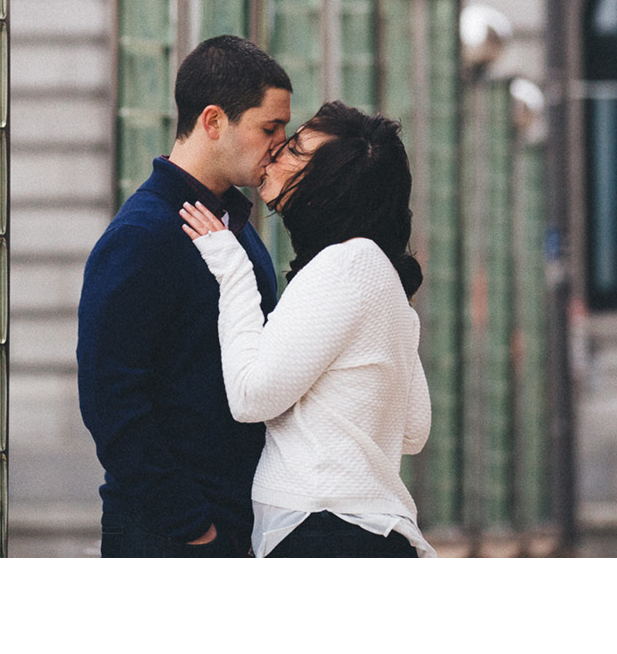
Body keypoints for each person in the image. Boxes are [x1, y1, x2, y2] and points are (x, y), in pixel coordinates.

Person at [179, 100, 433, 558]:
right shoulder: (381, 277)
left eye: (296, 149)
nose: (277, 152)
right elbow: (412, 430)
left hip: (324, 530)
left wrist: (231, 266)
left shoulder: (345, 265)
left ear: (329, 185)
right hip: (365, 530)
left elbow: (250, 396)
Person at [77, 35, 293, 557]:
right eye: (270, 127)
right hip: (171, 536)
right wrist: (193, 524)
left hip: (230, 526)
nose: (281, 144)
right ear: (214, 121)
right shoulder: (143, 235)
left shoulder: (237, 228)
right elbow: (111, 399)